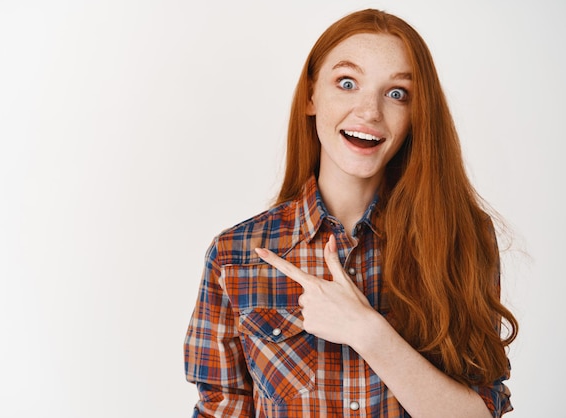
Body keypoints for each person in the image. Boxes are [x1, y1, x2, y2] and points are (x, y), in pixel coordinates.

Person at [184, 8, 518, 417]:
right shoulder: (236, 255)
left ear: (417, 116)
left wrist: (369, 333)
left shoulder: (461, 237)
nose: (370, 111)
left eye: (397, 93)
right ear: (311, 96)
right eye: (347, 83)